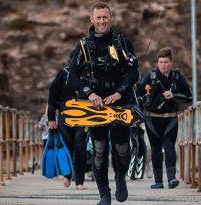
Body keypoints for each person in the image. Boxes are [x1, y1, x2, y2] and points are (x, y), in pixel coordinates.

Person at [68, 2, 139, 204]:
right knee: (99, 149)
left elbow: (134, 72)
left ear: (111, 18)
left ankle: (120, 178)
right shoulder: (83, 46)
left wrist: (120, 92)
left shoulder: (122, 42)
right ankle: (104, 194)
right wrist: (89, 93)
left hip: (120, 103)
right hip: (95, 107)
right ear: (91, 20)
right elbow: (72, 76)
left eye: (105, 17)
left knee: (122, 149)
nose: (101, 21)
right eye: (98, 17)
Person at [137, 47, 192, 189]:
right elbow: (138, 95)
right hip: (152, 119)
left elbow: (189, 97)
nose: (163, 65)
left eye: (166, 62)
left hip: (170, 118)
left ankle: (172, 179)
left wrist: (174, 96)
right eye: (161, 62)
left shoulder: (178, 77)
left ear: (171, 62)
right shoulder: (150, 77)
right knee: (155, 149)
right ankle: (158, 182)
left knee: (169, 147)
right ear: (157, 63)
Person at [47, 52, 87, 190]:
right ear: (72, 60)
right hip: (65, 115)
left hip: (84, 115)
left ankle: (80, 181)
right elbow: (52, 98)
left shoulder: (88, 74)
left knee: (81, 148)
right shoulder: (63, 74)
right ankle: (67, 175)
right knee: (67, 147)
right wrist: (51, 118)